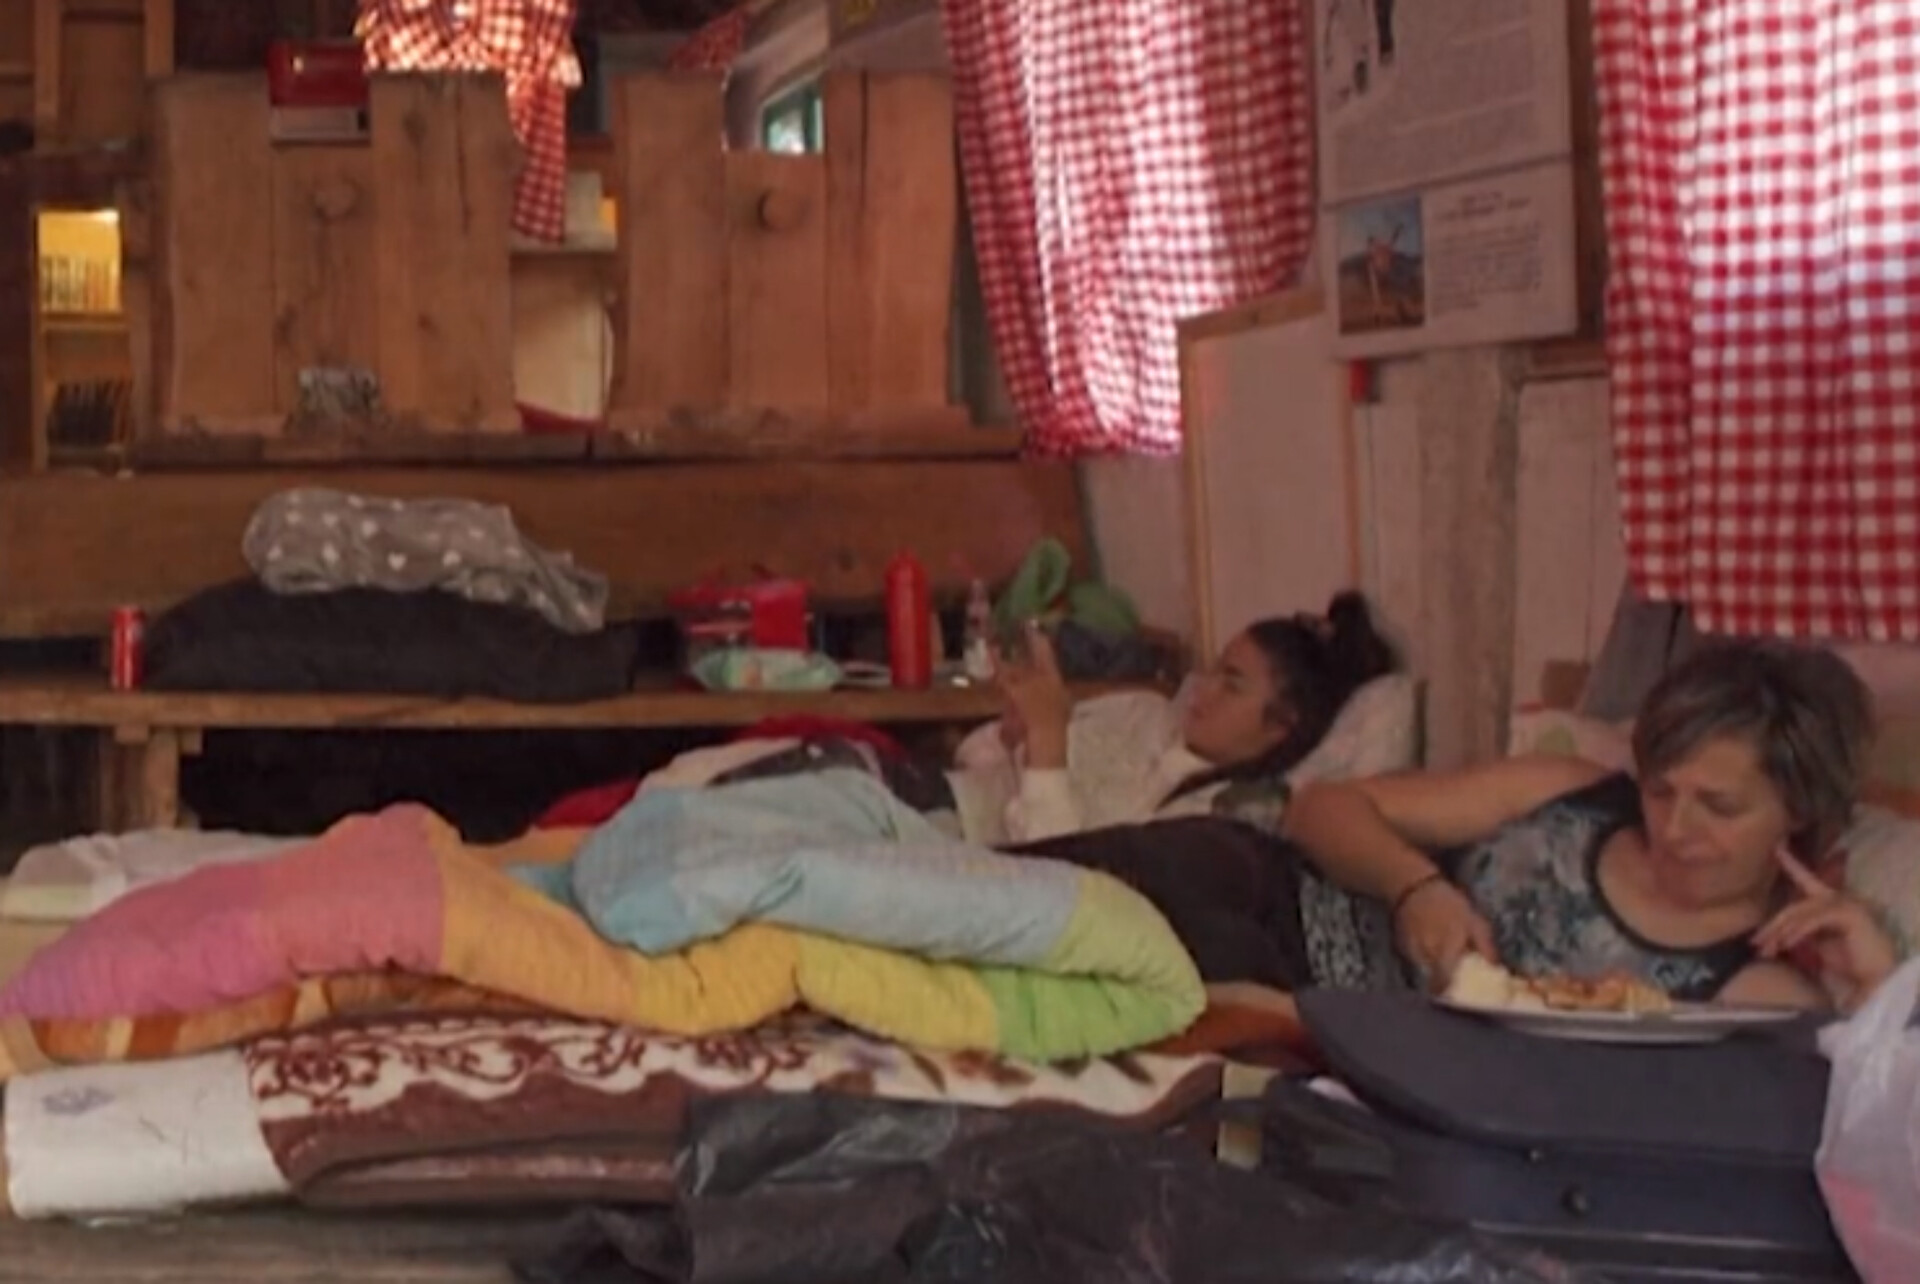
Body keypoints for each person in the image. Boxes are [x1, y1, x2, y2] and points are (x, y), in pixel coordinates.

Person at [1284, 641, 1902, 1012]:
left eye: (1719, 807)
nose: (1674, 828)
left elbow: (1862, 1123)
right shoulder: (1570, 791)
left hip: (1343, 1038)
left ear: (1798, 810)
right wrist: (1412, 888)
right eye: (1660, 791)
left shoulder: (1758, 988)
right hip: (1291, 907)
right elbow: (1316, 809)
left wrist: (1877, 984)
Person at [955, 591, 1402, 845]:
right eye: (1213, 671)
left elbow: (1062, 876)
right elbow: (972, 752)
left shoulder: (1215, 815)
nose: (1203, 690)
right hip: (949, 805)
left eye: (1232, 685)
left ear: (1279, 725)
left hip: (982, 860)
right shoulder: (1145, 713)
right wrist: (1015, 735)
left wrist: (1046, 743)